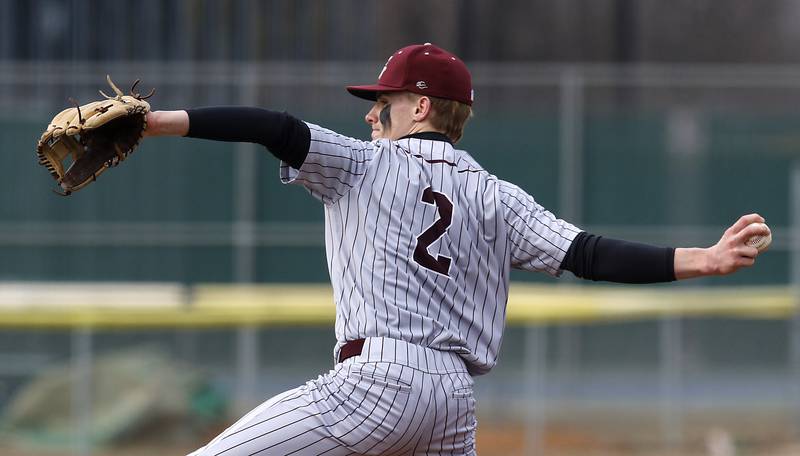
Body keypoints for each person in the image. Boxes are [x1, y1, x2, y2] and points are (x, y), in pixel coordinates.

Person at [144, 43, 769, 456]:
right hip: (452, 403)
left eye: (382, 103)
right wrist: (707, 259)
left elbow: (275, 130)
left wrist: (158, 121)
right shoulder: (498, 196)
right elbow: (590, 253)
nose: (370, 116)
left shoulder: (363, 165)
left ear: (419, 105)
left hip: (375, 384)